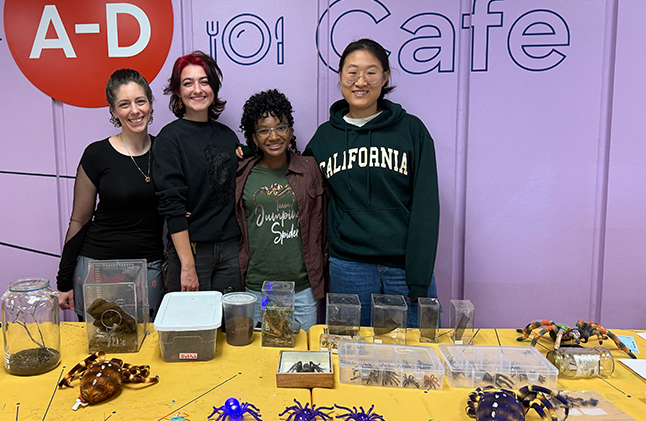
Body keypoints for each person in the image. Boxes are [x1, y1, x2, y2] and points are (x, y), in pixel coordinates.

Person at [303, 38, 440, 327]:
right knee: (352, 360)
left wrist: (418, 279)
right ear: (340, 77)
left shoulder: (412, 131)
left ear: (385, 76)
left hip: (404, 270)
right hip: (349, 268)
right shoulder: (325, 138)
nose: (360, 81)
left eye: (371, 72)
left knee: (413, 360)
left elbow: (427, 208)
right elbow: (296, 176)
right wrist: (256, 151)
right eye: (352, 72)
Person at [56, 69, 165, 321]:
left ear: (150, 103)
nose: (135, 111)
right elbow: (79, 220)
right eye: (124, 104)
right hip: (97, 266)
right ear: (113, 111)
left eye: (140, 101)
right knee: (99, 353)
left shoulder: (166, 151)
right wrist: (64, 281)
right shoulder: (97, 154)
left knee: (146, 349)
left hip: (147, 267)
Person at [236, 89, 328, 333]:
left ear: (291, 131)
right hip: (257, 288)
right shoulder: (242, 174)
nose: (273, 136)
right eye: (263, 130)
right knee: (259, 361)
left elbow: (324, 221)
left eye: (281, 127)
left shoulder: (310, 170)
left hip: (302, 289)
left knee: (302, 359)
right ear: (253, 138)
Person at [152, 51, 241, 293]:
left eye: (204, 81)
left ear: (213, 88)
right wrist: (187, 265)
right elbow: (172, 205)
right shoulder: (169, 139)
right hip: (191, 250)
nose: (197, 89)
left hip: (231, 249)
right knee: (190, 328)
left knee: (230, 326)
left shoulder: (228, 136)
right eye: (188, 83)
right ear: (178, 92)